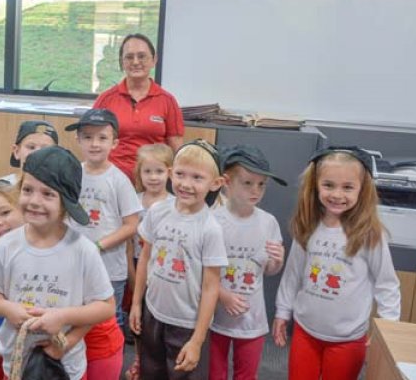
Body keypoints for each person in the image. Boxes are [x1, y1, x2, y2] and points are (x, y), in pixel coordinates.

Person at [0, 146, 116, 380]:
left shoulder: (83, 250)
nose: (34, 201)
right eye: (27, 190)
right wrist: (7, 309)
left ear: (65, 203)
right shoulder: (5, 246)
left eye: (48, 194)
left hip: (66, 366)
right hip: (15, 361)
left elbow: (106, 307)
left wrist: (64, 327)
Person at [273, 146, 401, 380]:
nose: (337, 194)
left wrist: (387, 330)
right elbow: (293, 274)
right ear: (315, 186)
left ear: (362, 190)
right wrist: (283, 311)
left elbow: (387, 285)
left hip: (348, 339)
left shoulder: (369, 234)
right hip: (305, 331)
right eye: (328, 185)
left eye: (348, 187)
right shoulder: (308, 224)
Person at [129, 140, 228, 380]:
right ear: (171, 173)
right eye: (181, 174)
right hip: (153, 313)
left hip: (186, 324)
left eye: (197, 177)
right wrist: (136, 303)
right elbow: (145, 257)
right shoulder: (157, 211)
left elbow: (211, 286)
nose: (186, 184)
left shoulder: (210, 229)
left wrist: (197, 340)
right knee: (150, 372)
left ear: (215, 183)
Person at [64, 108, 141, 380]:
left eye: (102, 138)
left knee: (108, 322)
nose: (94, 144)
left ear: (114, 142)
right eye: (87, 137)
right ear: (78, 140)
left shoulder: (119, 180)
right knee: (77, 316)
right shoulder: (73, 174)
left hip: (109, 268)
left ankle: (107, 368)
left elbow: (131, 224)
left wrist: (98, 246)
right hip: (74, 265)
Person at [208, 145, 286, 380]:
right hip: (214, 316)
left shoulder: (268, 222)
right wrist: (223, 295)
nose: (256, 190)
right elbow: (200, 270)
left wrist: (277, 261)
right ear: (226, 182)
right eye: (248, 183)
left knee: (247, 373)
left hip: (252, 318)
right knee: (214, 373)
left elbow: (269, 270)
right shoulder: (212, 221)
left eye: (261, 184)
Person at [93, 33, 185, 181]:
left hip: (153, 182)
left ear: (154, 60)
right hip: (112, 180)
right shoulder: (105, 100)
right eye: (129, 57)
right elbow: (93, 144)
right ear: (122, 62)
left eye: (142, 56)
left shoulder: (168, 101)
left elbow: (178, 152)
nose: (135, 62)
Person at [125, 143, 175, 380]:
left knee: (155, 318)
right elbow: (128, 242)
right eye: (148, 171)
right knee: (137, 316)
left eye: (159, 171)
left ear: (169, 173)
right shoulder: (133, 202)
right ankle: (138, 358)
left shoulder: (174, 204)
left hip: (162, 268)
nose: (153, 177)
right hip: (137, 262)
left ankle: (157, 360)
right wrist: (131, 272)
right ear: (139, 173)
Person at [1, 120, 59, 184]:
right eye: (31, 147)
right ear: (17, 151)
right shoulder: (1, 187)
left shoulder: (63, 188)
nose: (38, 153)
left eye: (45, 149)